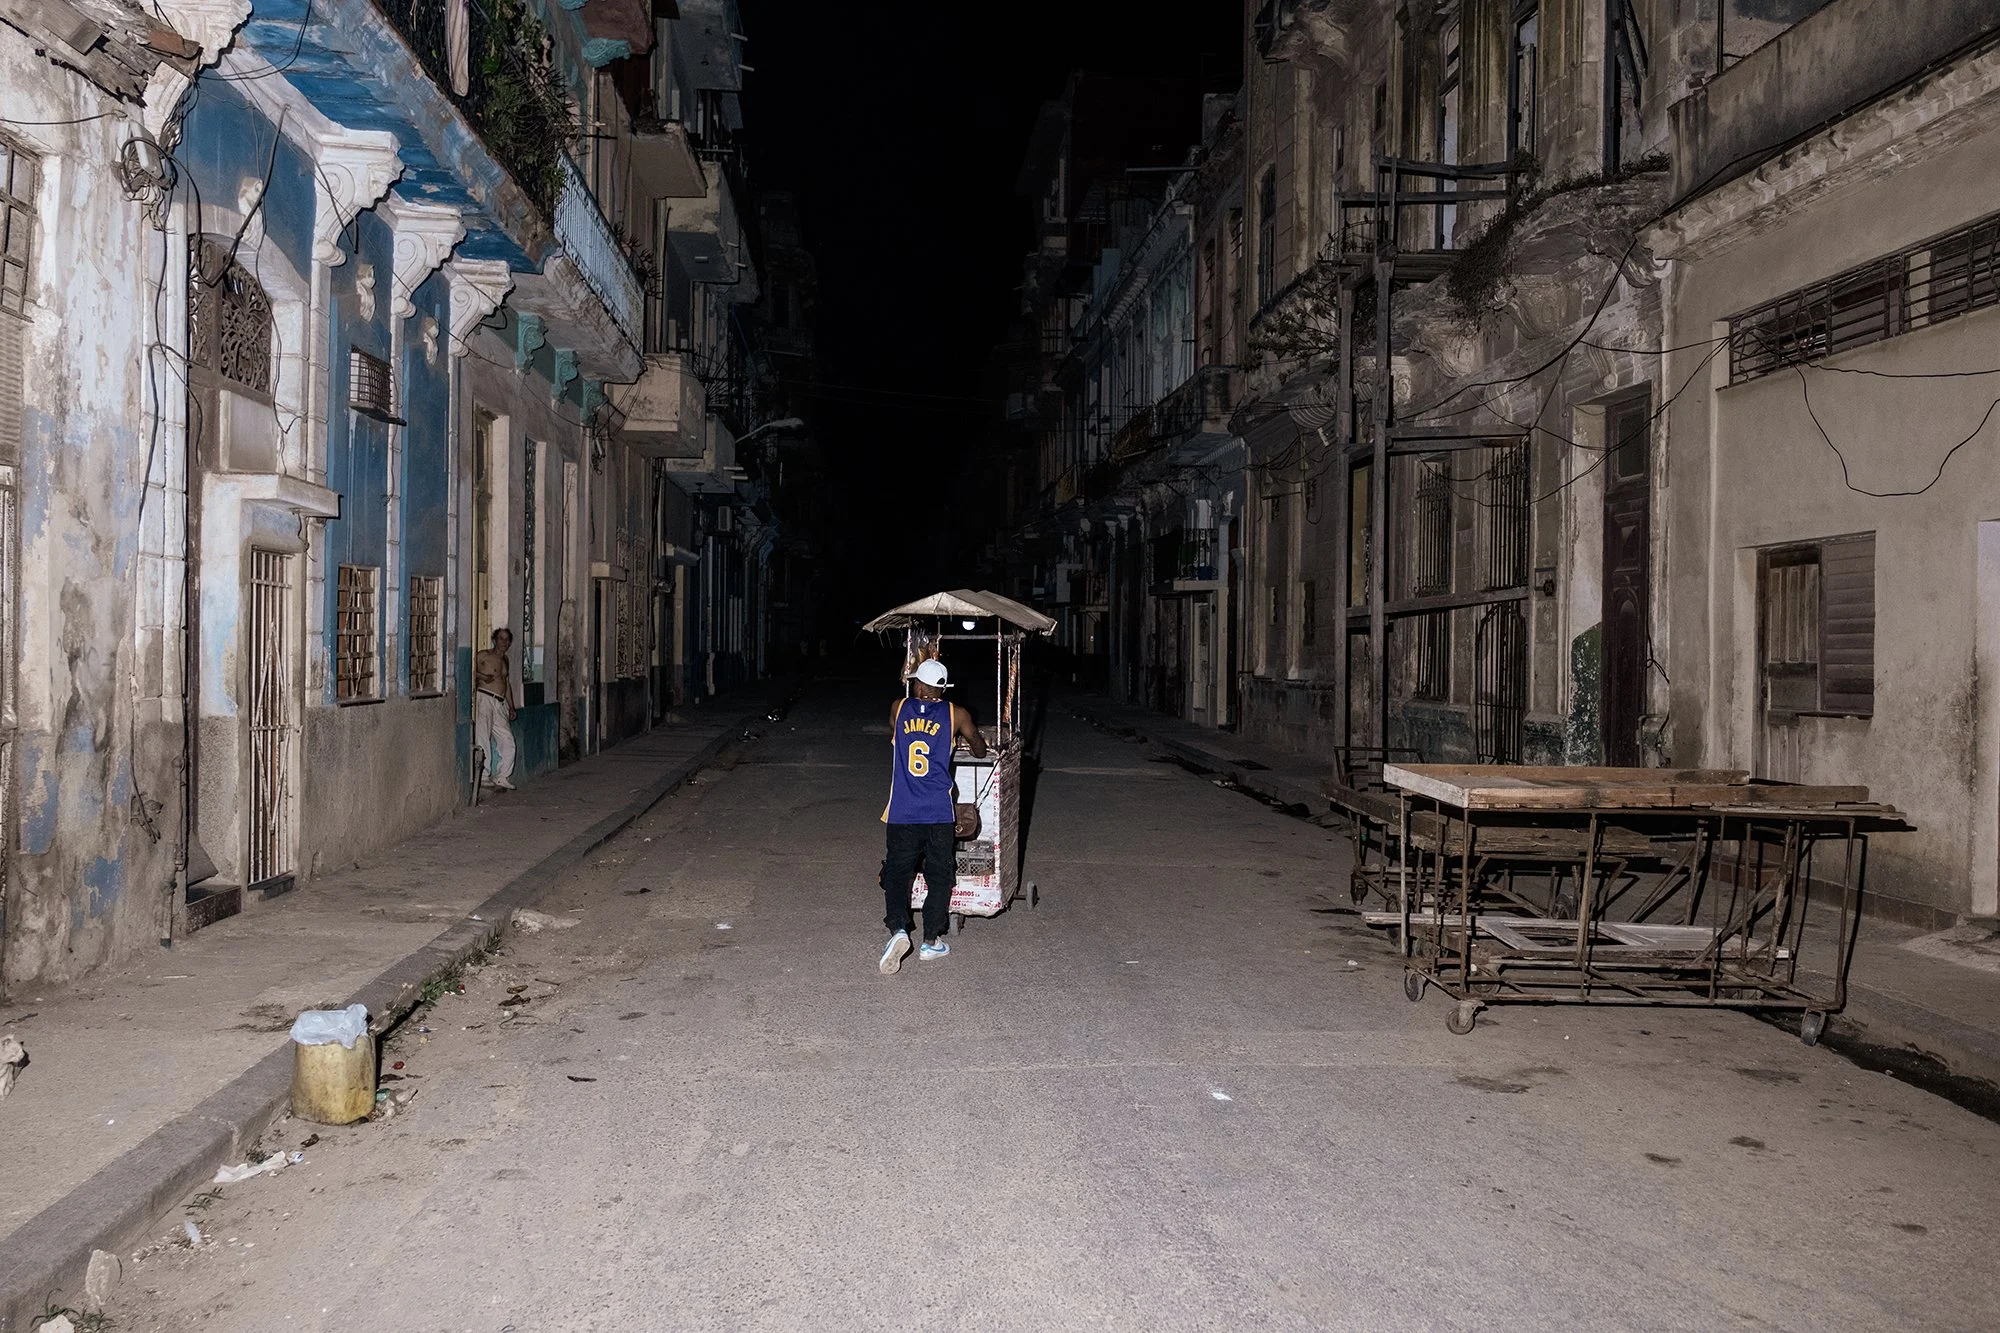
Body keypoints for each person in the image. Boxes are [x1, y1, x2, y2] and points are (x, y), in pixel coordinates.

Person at [878, 657, 986, 974]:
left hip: (902, 811)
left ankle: (898, 928)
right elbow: (979, 749)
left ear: (918, 684)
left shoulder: (899, 708)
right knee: (940, 876)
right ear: (941, 688)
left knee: (898, 873)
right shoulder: (957, 714)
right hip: (939, 813)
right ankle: (930, 941)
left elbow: (894, 731)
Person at [474, 628, 519, 791]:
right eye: (501, 639)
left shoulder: (505, 660)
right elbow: (469, 671)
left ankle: (502, 775)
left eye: (507, 640)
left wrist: (511, 706)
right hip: (484, 698)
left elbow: (506, 684)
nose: (504, 643)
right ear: (494, 640)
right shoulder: (483, 655)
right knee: (483, 736)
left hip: (500, 703)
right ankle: (484, 776)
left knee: (508, 740)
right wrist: (482, 677)